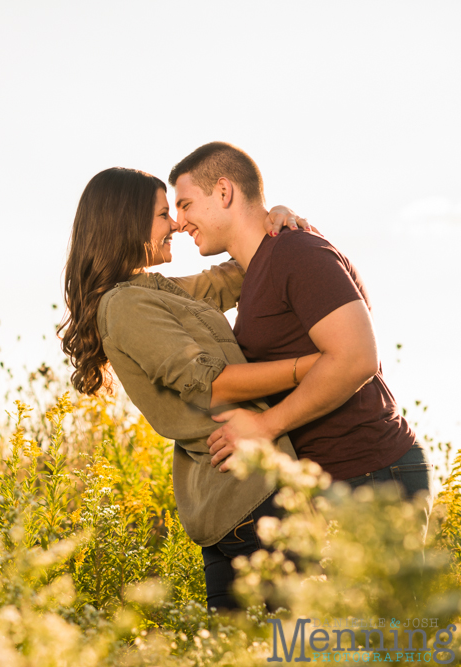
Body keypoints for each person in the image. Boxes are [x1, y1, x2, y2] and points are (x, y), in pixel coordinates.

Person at [59, 167, 313, 612]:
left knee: (244, 655)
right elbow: (212, 386)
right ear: (127, 223)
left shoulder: (153, 291)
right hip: (250, 501)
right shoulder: (125, 305)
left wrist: (274, 222)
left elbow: (230, 278)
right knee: (300, 645)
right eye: (162, 214)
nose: (176, 224)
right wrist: (317, 366)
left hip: (232, 503)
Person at [168, 142, 430, 511]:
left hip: (372, 475)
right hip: (332, 483)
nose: (178, 223)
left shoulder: (296, 251)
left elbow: (357, 359)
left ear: (224, 192)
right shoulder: (259, 267)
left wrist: (265, 426)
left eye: (185, 204)